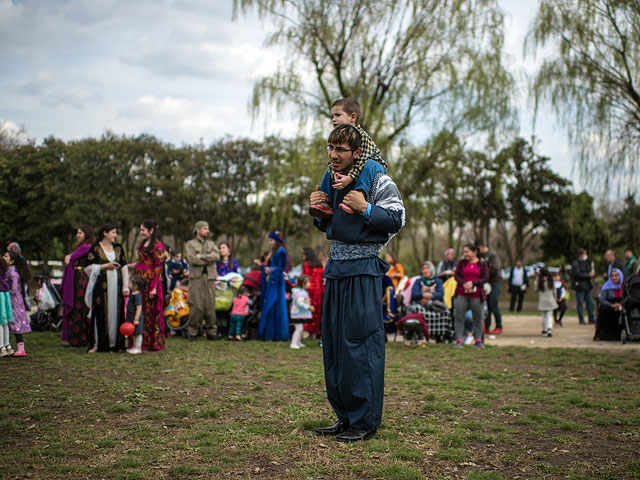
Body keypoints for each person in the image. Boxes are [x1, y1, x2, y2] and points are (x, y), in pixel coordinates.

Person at [310, 124, 405, 443]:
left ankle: (365, 420)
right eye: (330, 148)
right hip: (336, 268)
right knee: (335, 344)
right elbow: (331, 224)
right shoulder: (333, 178)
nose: (333, 155)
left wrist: (366, 207)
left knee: (360, 343)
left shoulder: (376, 176)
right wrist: (318, 208)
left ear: (356, 151)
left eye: (340, 150)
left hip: (364, 269)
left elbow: (397, 218)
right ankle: (345, 417)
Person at [309, 98, 388, 217]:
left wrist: (351, 177)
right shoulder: (340, 137)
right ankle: (324, 201)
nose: (333, 119)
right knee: (329, 169)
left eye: (338, 115)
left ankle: (358, 194)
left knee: (369, 166)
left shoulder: (360, 136)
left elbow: (364, 159)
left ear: (353, 117)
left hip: (373, 167)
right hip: (357, 168)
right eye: (332, 116)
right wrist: (334, 173)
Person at [83, 224, 130, 352]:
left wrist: (126, 286)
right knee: (100, 313)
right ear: (105, 233)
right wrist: (105, 266)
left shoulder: (119, 248)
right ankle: (98, 344)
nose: (115, 235)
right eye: (113, 232)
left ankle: (116, 344)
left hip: (117, 287)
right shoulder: (96, 248)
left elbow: (124, 267)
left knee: (117, 313)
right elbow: (87, 268)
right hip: (101, 288)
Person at [130, 220, 165, 351]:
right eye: (140, 230)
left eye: (143, 230)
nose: (141, 233)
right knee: (139, 309)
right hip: (139, 282)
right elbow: (141, 262)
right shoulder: (143, 244)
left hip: (150, 282)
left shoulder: (158, 246)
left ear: (151, 231)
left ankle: (150, 342)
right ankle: (138, 340)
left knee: (150, 312)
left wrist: (154, 287)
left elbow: (158, 268)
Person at [185, 221, 220, 341]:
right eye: (205, 229)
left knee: (210, 305)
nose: (208, 231)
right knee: (196, 305)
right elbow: (192, 259)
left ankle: (212, 331)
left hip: (210, 277)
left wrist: (202, 256)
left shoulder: (212, 243)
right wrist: (208, 258)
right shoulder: (190, 244)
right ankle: (193, 331)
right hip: (196, 278)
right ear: (198, 230)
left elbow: (216, 256)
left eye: (208, 229)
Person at [60, 225, 95, 347]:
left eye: (80, 233)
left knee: (78, 308)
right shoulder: (86, 247)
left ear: (86, 234)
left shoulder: (85, 247)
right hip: (81, 278)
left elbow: (70, 259)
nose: (77, 235)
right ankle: (80, 337)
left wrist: (69, 258)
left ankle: (78, 338)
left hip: (80, 280)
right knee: (80, 307)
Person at [453, 244, 489, 349]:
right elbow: (456, 275)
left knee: (478, 318)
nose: (465, 254)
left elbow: (485, 278)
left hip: (477, 295)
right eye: (464, 252)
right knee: (459, 317)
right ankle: (459, 340)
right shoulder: (461, 263)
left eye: (467, 251)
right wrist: (464, 283)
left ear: (474, 252)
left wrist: (473, 283)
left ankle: (478, 340)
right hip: (461, 294)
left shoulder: (482, 264)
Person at [257, 231, 289, 341]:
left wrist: (270, 271)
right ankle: (271, 333)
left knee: (277, 305)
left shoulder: (281, 252)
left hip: (277, 282)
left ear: (276, 241)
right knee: (272, 306)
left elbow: (281, 268)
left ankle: (278, 334)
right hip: (272, 281)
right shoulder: (275, 252)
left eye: (271, 240)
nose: (270, 242)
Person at [4, 250, 32, 356]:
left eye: (6, 256)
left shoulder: (13, 273)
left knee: (15, 324)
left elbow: (14, 289)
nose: (3, 257)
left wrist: (6, 293)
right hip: (12, 301)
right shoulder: (9, 271)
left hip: (14, 302)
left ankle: (20, 348)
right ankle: (9, 346)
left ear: (11, 261)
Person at [476, 240, 502, 334]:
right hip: (485, 283)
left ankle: (499, 326)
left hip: (495, 282)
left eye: (478, 249)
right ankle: (486, 326)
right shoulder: (480, 256)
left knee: (493, 304)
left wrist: (484, 272)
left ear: (481, 246)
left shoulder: (492, 255)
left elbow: (495, 268)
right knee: (487, 305)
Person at [594, 268, 624, 341]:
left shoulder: (624, 286)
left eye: (616, 275)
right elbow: (602, 299)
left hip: (620, 305)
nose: (614, 277)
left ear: (620, 276)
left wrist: (620, 305)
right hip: (608, 305)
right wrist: (612, 305)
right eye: (612, 276)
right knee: (604, 312)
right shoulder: (607, 286)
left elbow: (626, 298)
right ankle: (602, 335)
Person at [301, 246, 324, 339]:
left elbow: (304, 277)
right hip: (318, 291)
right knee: (317, 311)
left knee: (307, 310)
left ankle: (307, 332)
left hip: (309, 290)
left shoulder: (307, 264)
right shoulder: (320, 264)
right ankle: (315, 332)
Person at [571, 248, 596, 325]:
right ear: (580, 255)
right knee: (580, 303)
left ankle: (591, 318)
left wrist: (591, 274)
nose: (586, 256)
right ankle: (581, 319)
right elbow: (577, 274)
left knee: (590, 302)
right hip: (580, 287)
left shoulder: (585, 263)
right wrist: (588, 275)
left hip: (587, 286)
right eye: (584, 254)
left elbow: (588, 271)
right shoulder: (575, 264)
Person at [290, 274, 313, 349]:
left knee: (300, 328)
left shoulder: (301, 292)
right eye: (308, 282)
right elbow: (299, 303)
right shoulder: (301, 293)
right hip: (297, 314)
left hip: (298, 314)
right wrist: (308, 307)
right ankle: (293, 343)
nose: (310, 283)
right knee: (299, 329)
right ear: (303, 284)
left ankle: (298, 342)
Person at [125, 275, 145, 354]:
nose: (128, 284)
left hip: (136, 317)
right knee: (134, 332)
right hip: (131, 316)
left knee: (138, 333)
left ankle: (138, 348)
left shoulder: (137, 296)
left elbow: (139, 307)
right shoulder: (132, 293)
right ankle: (134, 346)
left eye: (130, 282)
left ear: (135, 286)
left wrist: (136, 319)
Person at [537, 267, 558, 337]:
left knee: (543, 316)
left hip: (542, 300)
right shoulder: (550, 280)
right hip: (550, 299)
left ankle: (544, 330)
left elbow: (535, 289)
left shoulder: (539, 281)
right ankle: (549, 329)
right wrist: (555, 298)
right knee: (549, 315)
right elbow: (554, 290)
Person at [0, 257, 13, 356]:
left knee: (1, 322)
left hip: (1, 294)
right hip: (5, 294)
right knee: (5, 322)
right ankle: (7, 345)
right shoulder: (3, 264)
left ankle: (1, 347)